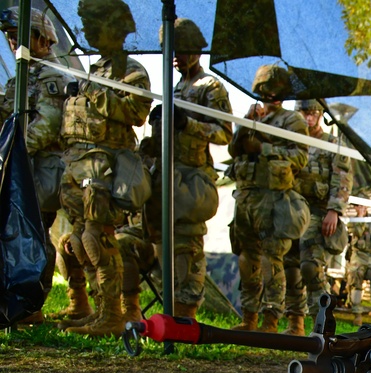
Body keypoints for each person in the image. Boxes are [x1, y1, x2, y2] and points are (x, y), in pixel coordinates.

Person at [119, 17, 232, 323]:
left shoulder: (210, 87)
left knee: (186, 249)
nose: (176, 56)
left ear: (196, 50)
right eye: (171, 50)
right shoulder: (174, 87)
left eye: (181, 50)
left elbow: (225, 133)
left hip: (190, 182)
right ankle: (129, 313)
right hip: (161, 179)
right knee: (126, 244)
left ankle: (184, 319)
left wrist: (187, 123)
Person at [57, 0, 151, 337]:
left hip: (104, 168)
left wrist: (94, 96)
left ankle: (114, 315)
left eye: (97, 23)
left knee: (98, 237)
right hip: (79, 165)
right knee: (80, 239)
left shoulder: (131, 69)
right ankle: (100, 311)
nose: (91, 30)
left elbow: (137, 112)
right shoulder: (95, 69)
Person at [0, 7, 71, 323]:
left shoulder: (52, 77)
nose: (13, 42)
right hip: (20, 168)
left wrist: (10, 151)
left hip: (40, 170)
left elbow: (47, 125)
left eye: (19, 36)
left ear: (43, 39)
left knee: (36, 233)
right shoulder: (22, 76)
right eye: (10, 37)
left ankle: (33, 306)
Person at [228, 64, 309, 332]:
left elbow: (300, 158)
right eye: (264, 90)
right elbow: (233, 150)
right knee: (247, 259)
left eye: (273, 90)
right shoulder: (254, 117)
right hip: (247, 197)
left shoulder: (292, 120)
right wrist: (245, 126)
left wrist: (263, 147)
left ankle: (271, 319)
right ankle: (248, 318)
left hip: (273, 200)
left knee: (271, 260)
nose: (268, 94)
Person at [281, 99, 353, 335]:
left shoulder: (332, 143)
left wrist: (334, 210)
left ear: (320, 115)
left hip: (319, 211)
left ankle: (321, 326)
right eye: (303, 112)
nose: (308, 118)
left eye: (313, 113)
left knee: (311, 267)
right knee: (290, 267)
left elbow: (342, 178)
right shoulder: (290, 140)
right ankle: (295, 325)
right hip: (291, 210)